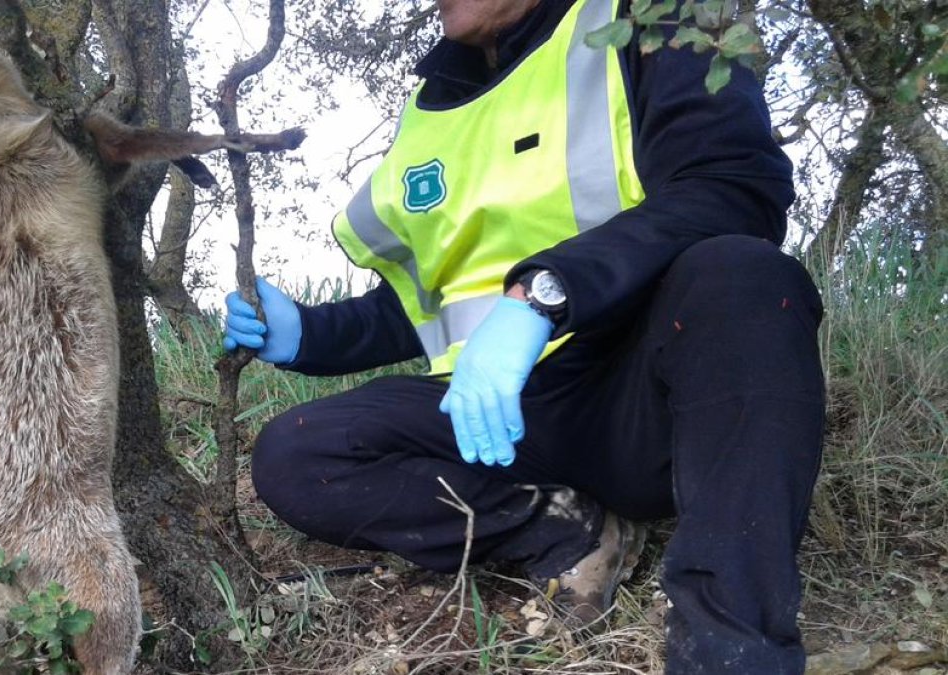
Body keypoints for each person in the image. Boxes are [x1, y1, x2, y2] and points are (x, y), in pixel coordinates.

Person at [223, 0, 825, 670]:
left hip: (638, 393)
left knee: (744, 276)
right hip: (495, 416)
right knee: (296, 455)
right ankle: (569, 528)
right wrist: (310, 333)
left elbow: (733, 187)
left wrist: (545, 293)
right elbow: (427, 300)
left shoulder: (653, 21)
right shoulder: (431, 105)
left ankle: (730, 643)